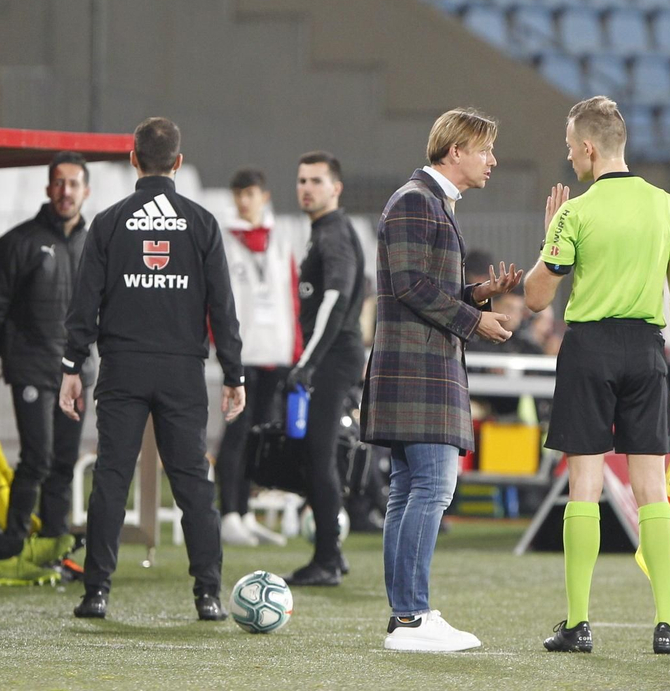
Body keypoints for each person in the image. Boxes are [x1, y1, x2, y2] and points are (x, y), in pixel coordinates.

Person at [523, 97, 670, 657]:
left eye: (571, 145)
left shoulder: (575, 213)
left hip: (588, 350)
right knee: (650, 490)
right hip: (648, 354)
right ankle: (667, 625)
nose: (569, 154)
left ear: (590, 148)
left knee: (585, 488)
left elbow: (534, 298)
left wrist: (550, 235)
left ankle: (578, 625)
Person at [60, 117, 246, 621]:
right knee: (193, 486)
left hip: (122, 368)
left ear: (133, 159)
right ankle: (208, 595)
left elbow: (85, 303)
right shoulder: (202, 222)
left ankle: (95, 592)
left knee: (111, 481)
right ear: (178, 163)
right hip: (183, 372)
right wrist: (235, 374)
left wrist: (72, 365)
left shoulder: (109, 221)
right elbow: (222, 307)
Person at [361, 108, 519, 652]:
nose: (492, 161)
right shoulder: (415, 201)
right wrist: (474, 319)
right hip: (418, 369)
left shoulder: (429, 203)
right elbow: (408, 284)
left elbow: (426, 284)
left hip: (422, 366)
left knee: (411, 490)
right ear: (456, 151)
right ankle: (410, 617)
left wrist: (474, 293)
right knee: (429, 487)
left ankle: (407, 613)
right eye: (485, 151)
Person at [0, 152, 93, 548]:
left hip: (77, 375)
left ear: (86, 191)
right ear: (48, 189)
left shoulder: (98, 247)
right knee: (37, 459)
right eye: (59, 183)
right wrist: (16, 354)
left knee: (64, 463)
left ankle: (54, 548)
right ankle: (14, 546)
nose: (66, 191)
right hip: (32, 371)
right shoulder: (17, 243)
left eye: (74, 184)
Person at [284, 151, 367, 587]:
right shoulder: (326, 231)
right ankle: (330, 551)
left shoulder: (333, 233)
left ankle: (327, 559)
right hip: (334, 356)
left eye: (316, 180)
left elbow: (335, 300)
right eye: (301, 181)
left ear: (335, 187)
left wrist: (306, 362)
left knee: (320, 457)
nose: (306, 188)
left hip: (334, 359)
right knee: (321, 456)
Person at [216, 166, 297, 549]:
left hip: (276, 350)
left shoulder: (282, 239)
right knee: (235, 432)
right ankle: (227, 513)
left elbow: (292, 295)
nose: (243, 201)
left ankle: (245, 512)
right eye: (238, 195)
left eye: (250, 194)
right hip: (242, 351)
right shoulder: (224, 240)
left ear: (264, 196)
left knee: (259, 435)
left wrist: (294, 350)